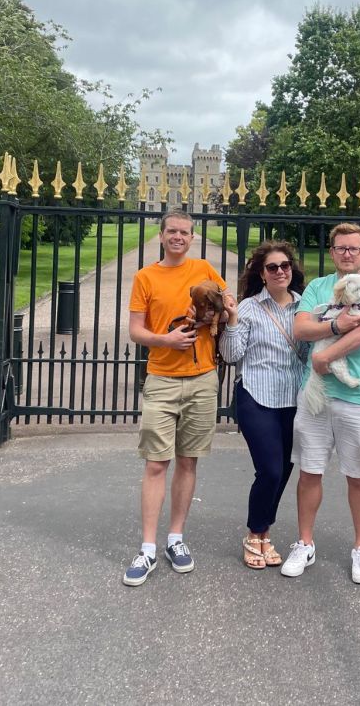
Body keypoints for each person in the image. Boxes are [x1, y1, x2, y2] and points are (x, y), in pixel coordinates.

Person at [122, 209, 235, 586]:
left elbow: (228, 304)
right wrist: (166, 339)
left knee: (188, 461)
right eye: (172, 231)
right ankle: (147, 547)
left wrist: (213, 314)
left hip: (202, 378)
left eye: (184, 232)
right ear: (161, 235)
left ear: (192, 237)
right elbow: (136, 331)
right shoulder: (146, 276)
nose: (178, 237)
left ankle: (175, 538)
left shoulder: (203, 269)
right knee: (156, 463)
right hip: (162, 377)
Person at [282, 222, 360, 584]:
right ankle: (305, 542)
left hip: (359, 395)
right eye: (341, 248)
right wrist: (334, 327)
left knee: (358, 475)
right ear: (332, 252)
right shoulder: (318, 286)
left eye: (354, 248)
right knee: (309, 470)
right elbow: (301, 329)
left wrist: (325, 357)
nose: (347, 254)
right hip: (316, 394)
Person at [219, 241, 307, 570]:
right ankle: (255, 532)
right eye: (272, 267)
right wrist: (231, 319)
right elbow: (231, 355)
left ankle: (263, 534)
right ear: (262, 273)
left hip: (295, 398)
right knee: (270, 469)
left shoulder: (305, 306)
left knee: (284, 470)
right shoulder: (249, 307)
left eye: (285, 265)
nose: (280, 271)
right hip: (257, 395)